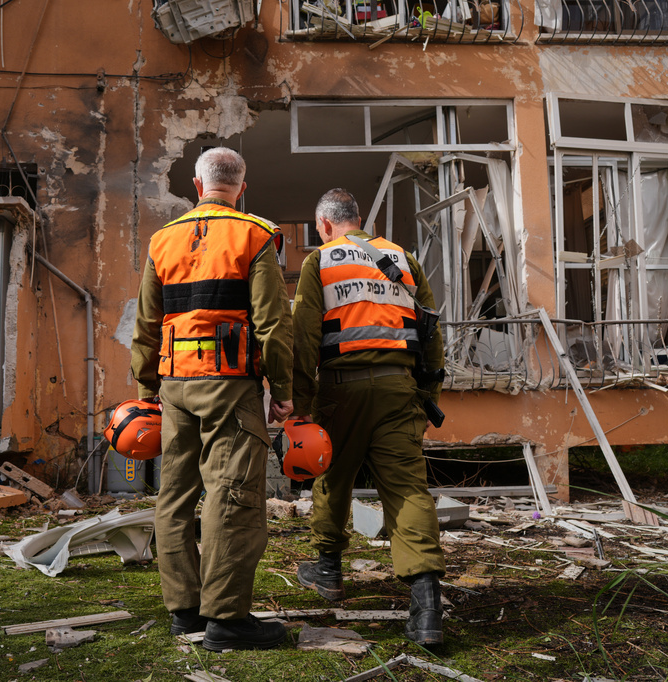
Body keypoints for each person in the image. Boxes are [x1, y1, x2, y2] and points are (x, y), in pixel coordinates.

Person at [130, 147, 294, 652]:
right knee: (232, 494)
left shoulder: (162, 239)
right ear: (241, 188)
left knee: (174, 495)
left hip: (174, 385)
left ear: (197, 186)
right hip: (231, 385)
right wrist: (282, 390)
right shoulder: (256, 235)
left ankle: (184, 611)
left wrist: (146, 390)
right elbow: (273, 323)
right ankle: (227, 619)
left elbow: (146, 323)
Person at [291, 188, 447, 646]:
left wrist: (299, 407)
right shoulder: (403, 259)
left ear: (324, 225)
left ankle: (328, 572)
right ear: (361, 221)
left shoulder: (319, 261)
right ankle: (427, 608)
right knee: (408, 489)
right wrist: (428, 395)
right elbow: (431, 332)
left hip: (340, 390)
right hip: (400, 389)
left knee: (332, 477)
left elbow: (303, 338)